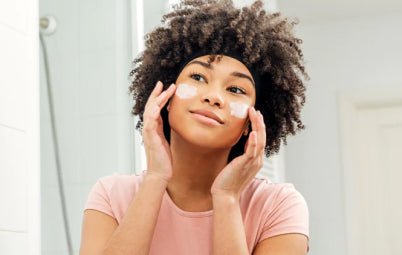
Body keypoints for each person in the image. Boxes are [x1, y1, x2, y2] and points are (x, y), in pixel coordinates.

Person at [79, 0, 310, 254]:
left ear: (251, 123)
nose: (213, 97)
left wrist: (227, 197)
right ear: (167, 98)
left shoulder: (278, 207)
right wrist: (156, 178)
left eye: (235, 89)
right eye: (198, 77)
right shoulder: (111, 196)